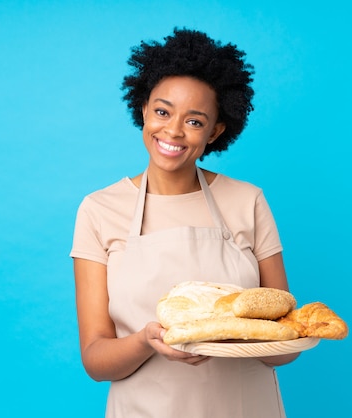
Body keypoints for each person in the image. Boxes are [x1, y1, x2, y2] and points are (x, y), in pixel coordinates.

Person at [70, 28, 298, 417]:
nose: (173, 131)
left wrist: (241, 337)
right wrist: (146, 340)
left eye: (195, 121)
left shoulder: (248, 201)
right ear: (143, 109)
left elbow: (286, 341)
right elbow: (95, 359)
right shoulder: (99, 209)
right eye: (162, 111)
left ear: (216, 131)